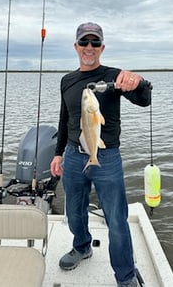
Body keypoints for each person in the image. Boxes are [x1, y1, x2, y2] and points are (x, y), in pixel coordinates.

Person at [50, 22, 152, 287]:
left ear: (102, 47)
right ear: (76, 46)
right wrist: (58, 153)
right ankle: (82, 246)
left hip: (106, 158)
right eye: (84, 42)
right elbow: (65, 120)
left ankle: (126, 277)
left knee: (116, 219)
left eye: (95, 43)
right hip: (73, 156)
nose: (89, 48)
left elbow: (144, 100)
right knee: (74, 210)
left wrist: (138, 82)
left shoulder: (114, 77)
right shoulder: (67, 81)